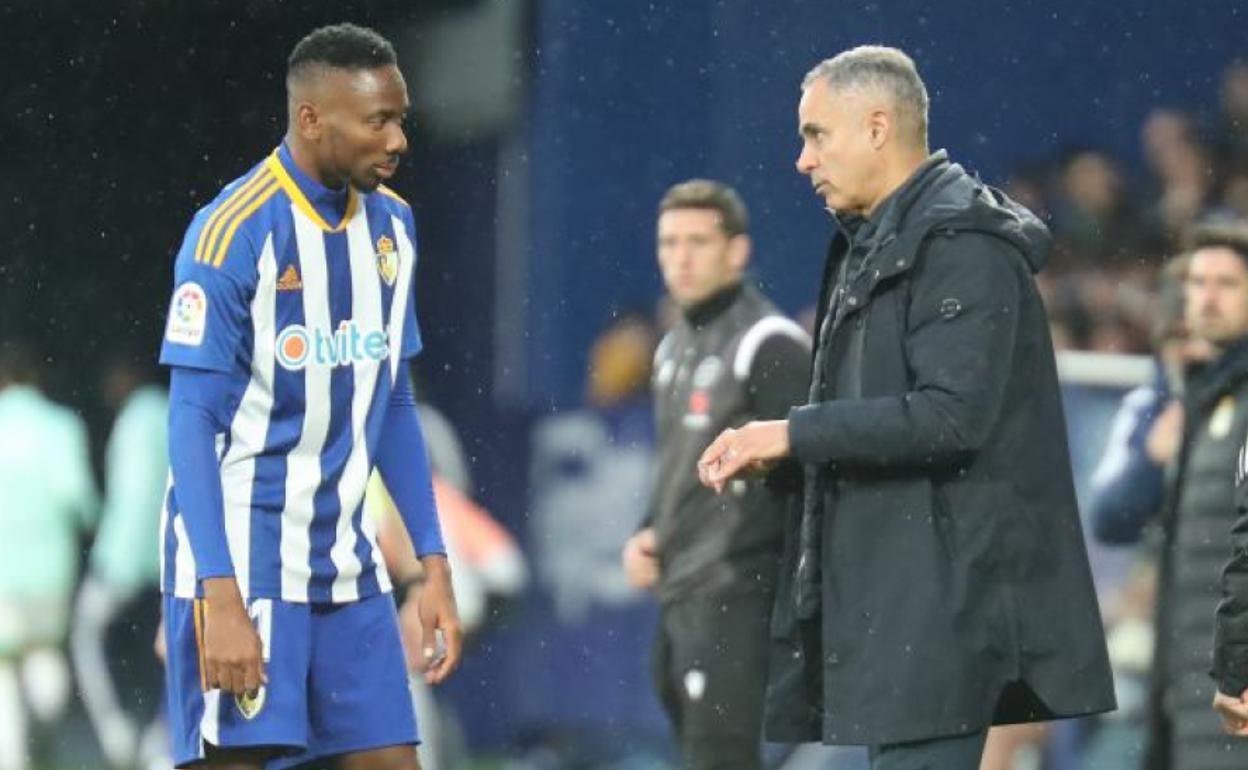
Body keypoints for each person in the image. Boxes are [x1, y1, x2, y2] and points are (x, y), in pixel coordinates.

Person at [696, 46, 1116, 768]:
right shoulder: (877, 245)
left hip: (948, 614)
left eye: (816, 134)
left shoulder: (962, 246)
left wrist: (791, 435)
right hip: (901, 610)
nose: (802, 159)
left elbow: (949, 419)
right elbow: (877, 418)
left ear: (879, 127)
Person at [157, 23, 460, 770]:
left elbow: (390, 403)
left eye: (401, 119)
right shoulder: (231, 232)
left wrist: (432, 561)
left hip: (348, 566)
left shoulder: (396, 230)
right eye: (377, 121)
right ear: (311, 119)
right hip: (246, 564)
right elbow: (190, 420)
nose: (398, 141)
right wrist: (218, 596)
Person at [621, 179, 810, 770]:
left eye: (698, 242)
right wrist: (649, 528)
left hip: (740, 591)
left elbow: (805, 468)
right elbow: (677, 459)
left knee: (721, 756)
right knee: (695, 748)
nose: (680, 257)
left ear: (737, 252)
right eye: (669, 242)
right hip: (682, 587)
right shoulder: (672, 346)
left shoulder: (769, 341)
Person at [0, 340, 97, 770]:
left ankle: (11, 757)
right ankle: (40, 731)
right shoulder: (60, 426)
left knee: (2, 666)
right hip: (48, 572)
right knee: (43, 654)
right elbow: (77, 498)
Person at [72, 356, 171, 770]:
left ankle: (119, 735)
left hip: (129, 561)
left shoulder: (137, 416)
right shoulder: (170, 409)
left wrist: (112, 562)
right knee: (159, 651)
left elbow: (135, 494)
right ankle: (158, 737)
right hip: (168, 563)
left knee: (86, 634)